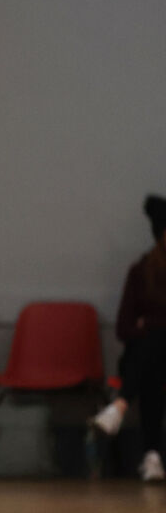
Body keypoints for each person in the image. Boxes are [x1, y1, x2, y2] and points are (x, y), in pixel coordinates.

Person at [92, 194, 166, 481]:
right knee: (154, 365)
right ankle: (152, 456)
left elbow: (139, 326)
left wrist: (148, 323)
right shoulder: (140, 272)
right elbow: (124, 328)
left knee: (154, 345)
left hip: (143, 357)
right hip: (146, 359)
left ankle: (119, 407)